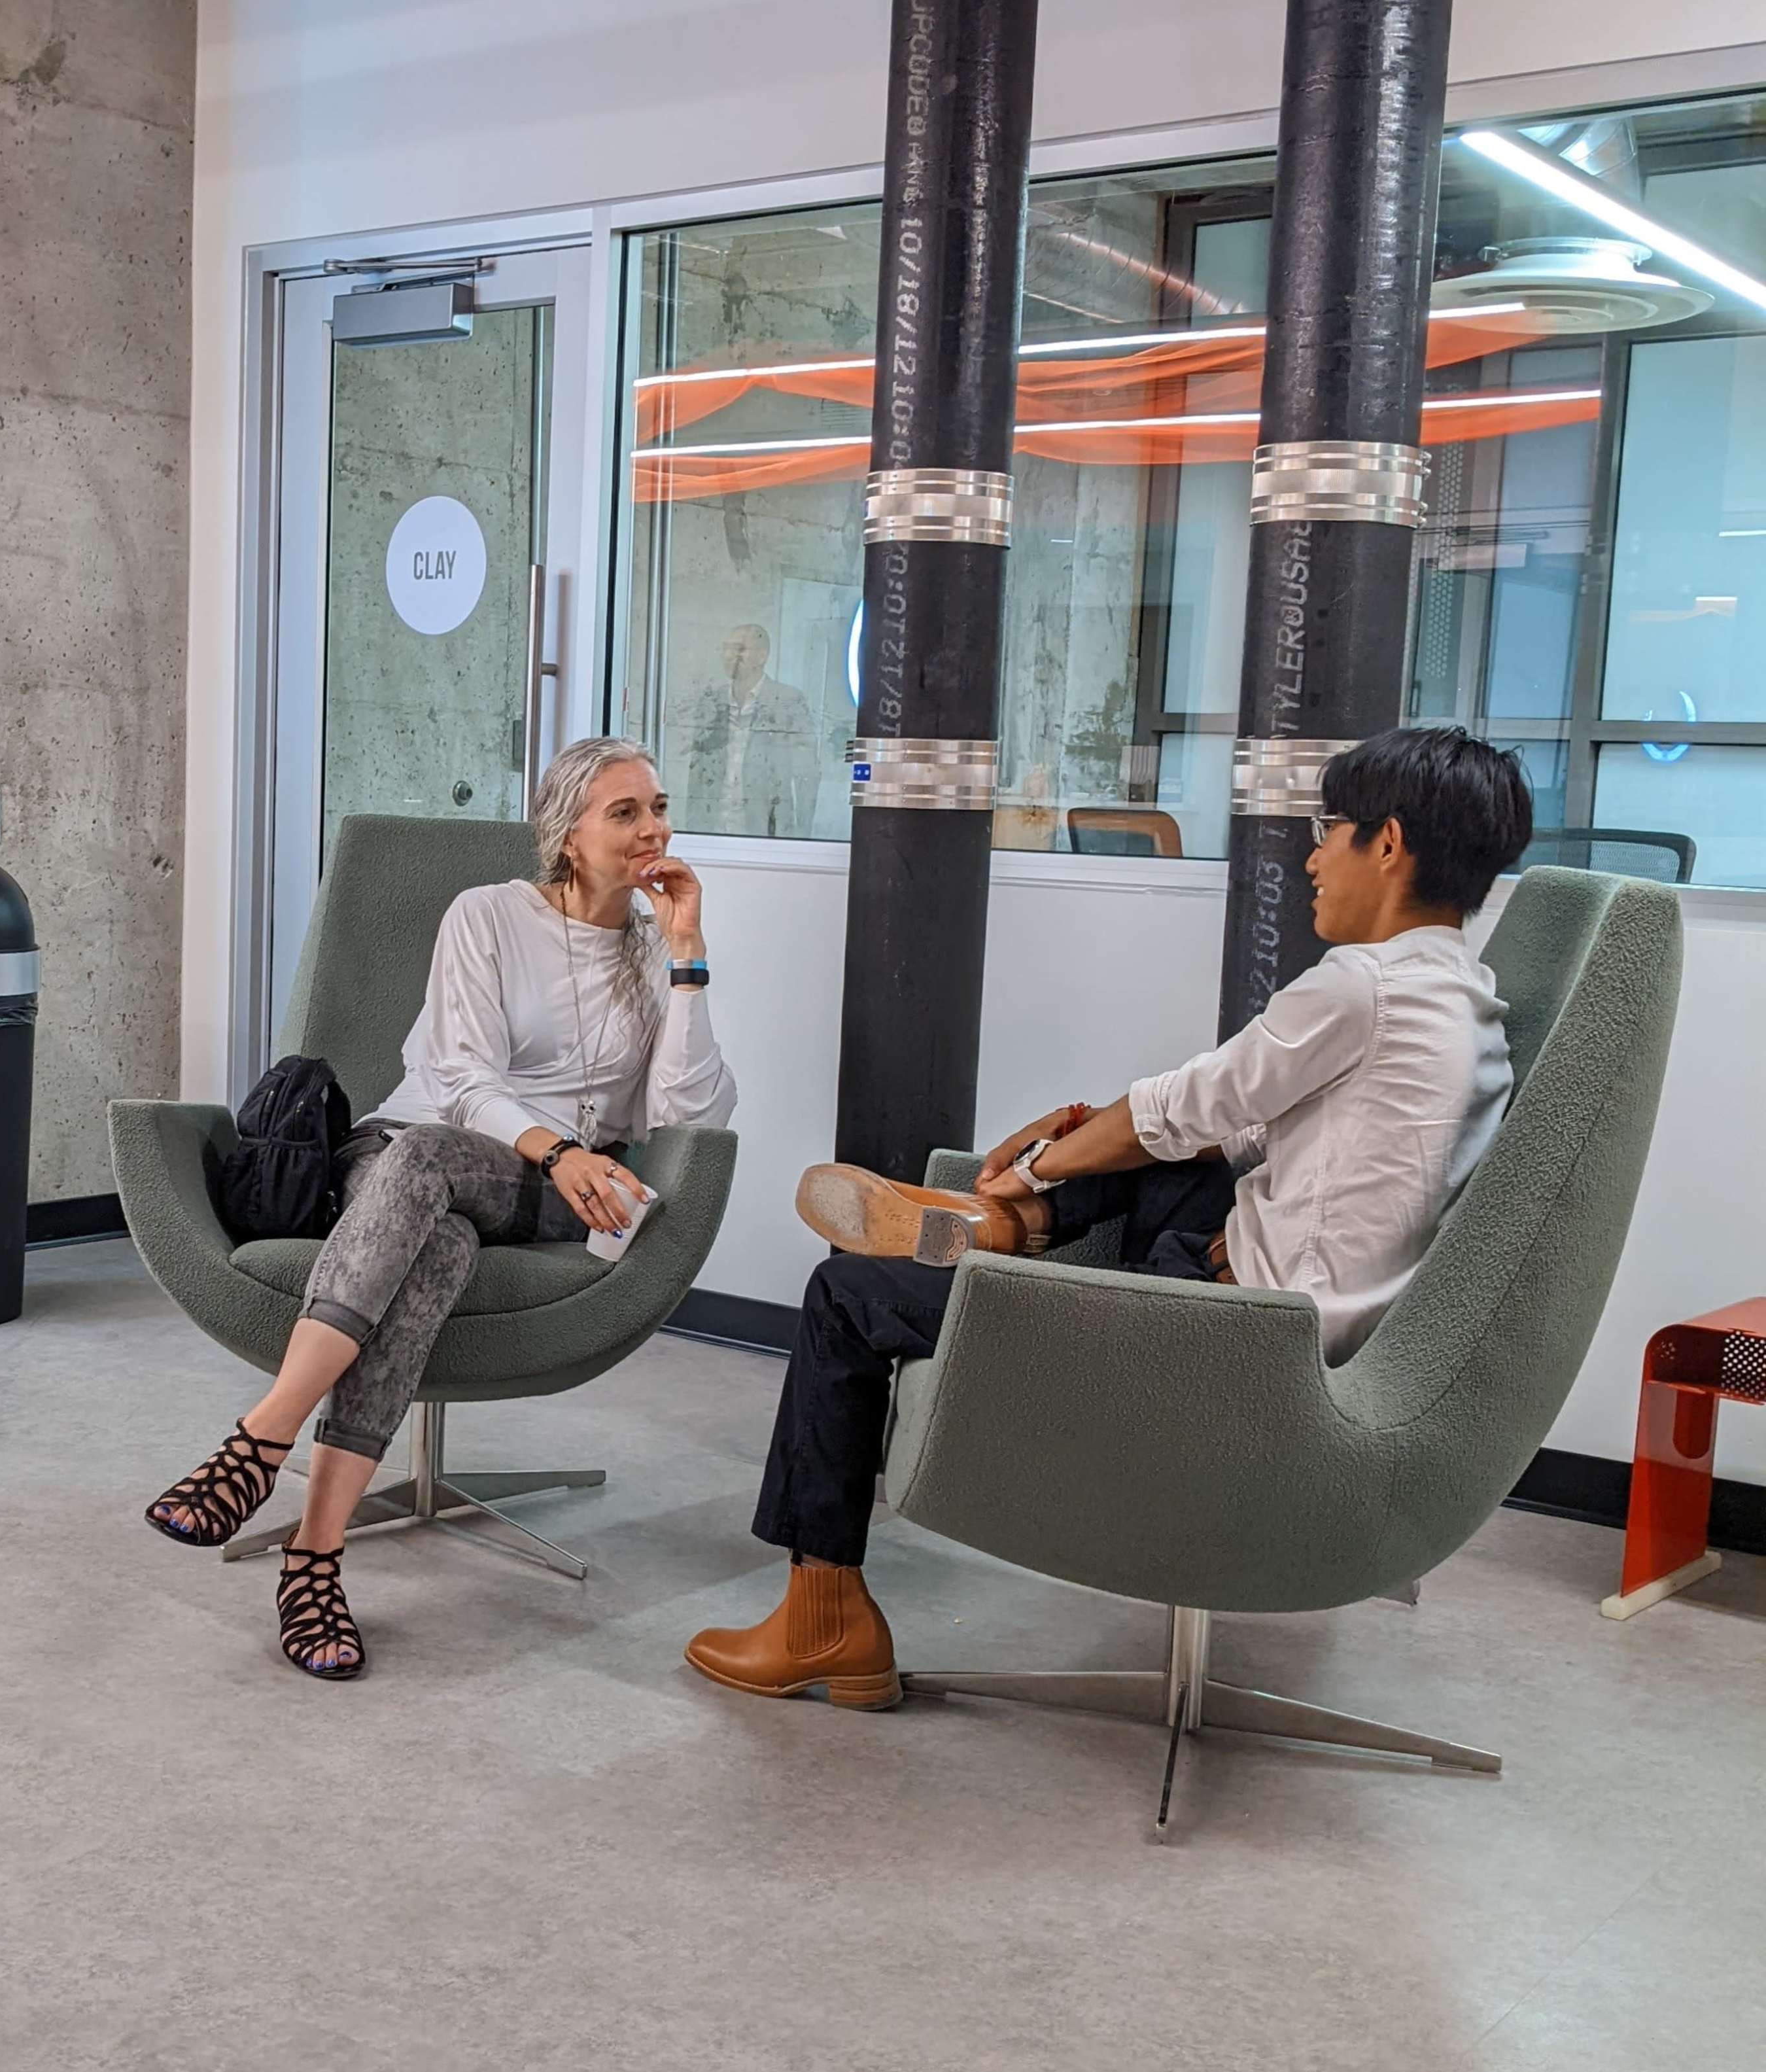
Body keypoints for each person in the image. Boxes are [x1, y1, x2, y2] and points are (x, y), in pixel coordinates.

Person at [684, 725, 1536, 1710]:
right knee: (1163, 1149)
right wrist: (1102, 1131)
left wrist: (1048, 1155)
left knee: (845, 1294)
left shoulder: (1363, 986)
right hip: (1299, 1325)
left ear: (1387, 845)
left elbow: (1192, 1105)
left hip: (1233, 1351)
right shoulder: (1466, 998)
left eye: (1327, 829)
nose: (1311, 854)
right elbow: (1275, 1140)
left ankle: (826, 1619)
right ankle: (1001, 1231)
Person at [146, 739, 736, 1677]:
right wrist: (561, 1144)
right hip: (407, 1154)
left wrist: (688, 957)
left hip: (541, 1193)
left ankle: (258, 1444)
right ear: (567, 834)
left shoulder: (650, 958)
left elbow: (686, 1115)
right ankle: (314, 1559)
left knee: (444, 1196)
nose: (654, 827)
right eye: (624, 812)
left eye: (658, 807)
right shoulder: (489, 915)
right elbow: (457, 1077)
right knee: (437, 1232)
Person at [683, 625, 823, 841]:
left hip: (765, 833)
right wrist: (692, 827)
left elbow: (807, 774)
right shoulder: (712, 700)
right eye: (726, 649)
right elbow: (698, 771)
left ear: (762, 656)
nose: (730, 656)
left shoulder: (788, 701)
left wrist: (802, 836)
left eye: (740, 650)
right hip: (713, 831)